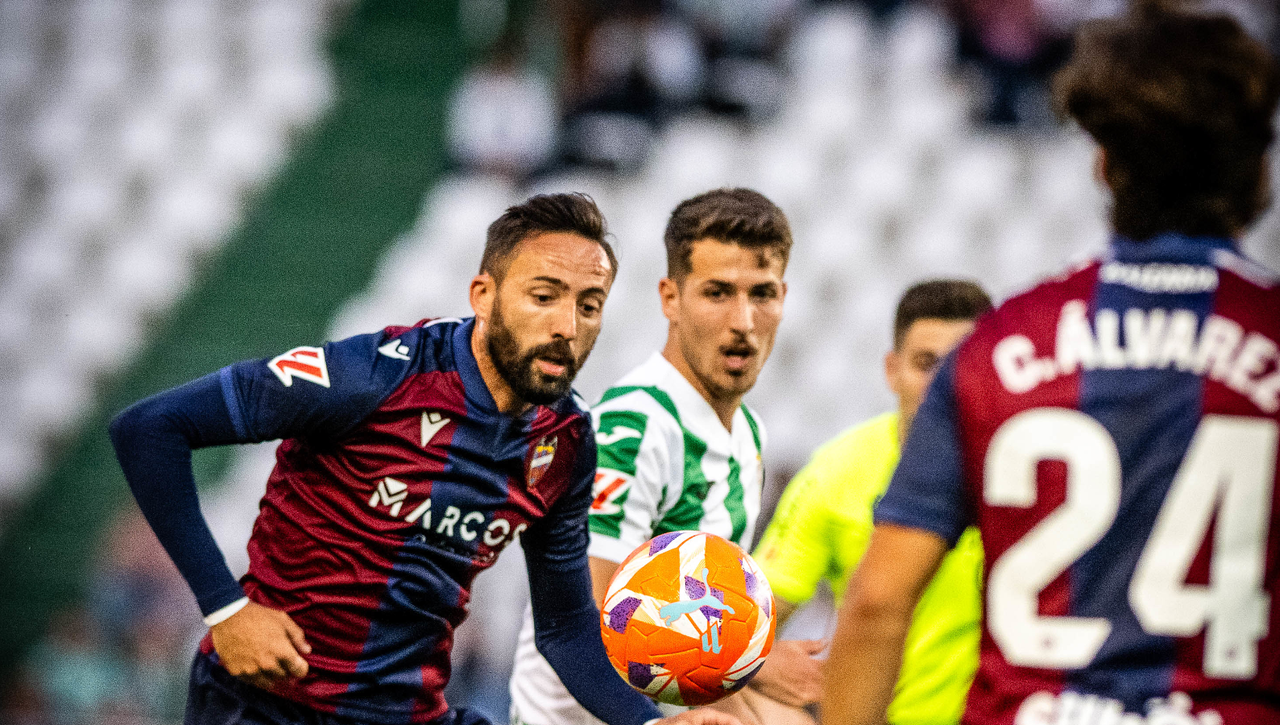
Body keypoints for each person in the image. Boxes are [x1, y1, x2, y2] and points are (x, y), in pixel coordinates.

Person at [109, 193, 741, 725]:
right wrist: (226, 608)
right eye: (544, 296)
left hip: (406, 714)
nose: (567, 327)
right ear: (484, 295)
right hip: (268, 706)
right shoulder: (374, 378)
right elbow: (149, 428)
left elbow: (566, 630)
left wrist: (653, 723)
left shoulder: (566, 444)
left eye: (588, 305)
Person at [821, 4, 1280, 725]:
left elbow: (879, 602)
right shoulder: (1268, 331)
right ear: (1258, 168)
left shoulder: (996, 348)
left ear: (1104, 164)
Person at [508, 188, 818, 725]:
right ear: (670, 298)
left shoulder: (748, 434)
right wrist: (756, 665)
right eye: (717, 293)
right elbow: (592, 618)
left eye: (762, 294)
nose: (743, 321)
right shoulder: (633, 427)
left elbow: (701, 635)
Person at [753, 280, 992, 725]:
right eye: (926, 364)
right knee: (733, 700)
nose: (943, 385)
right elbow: (748, 624)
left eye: (961, 364)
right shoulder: (834, 473)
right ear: (892, 370)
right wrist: (758, 666)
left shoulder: (1029, 475)